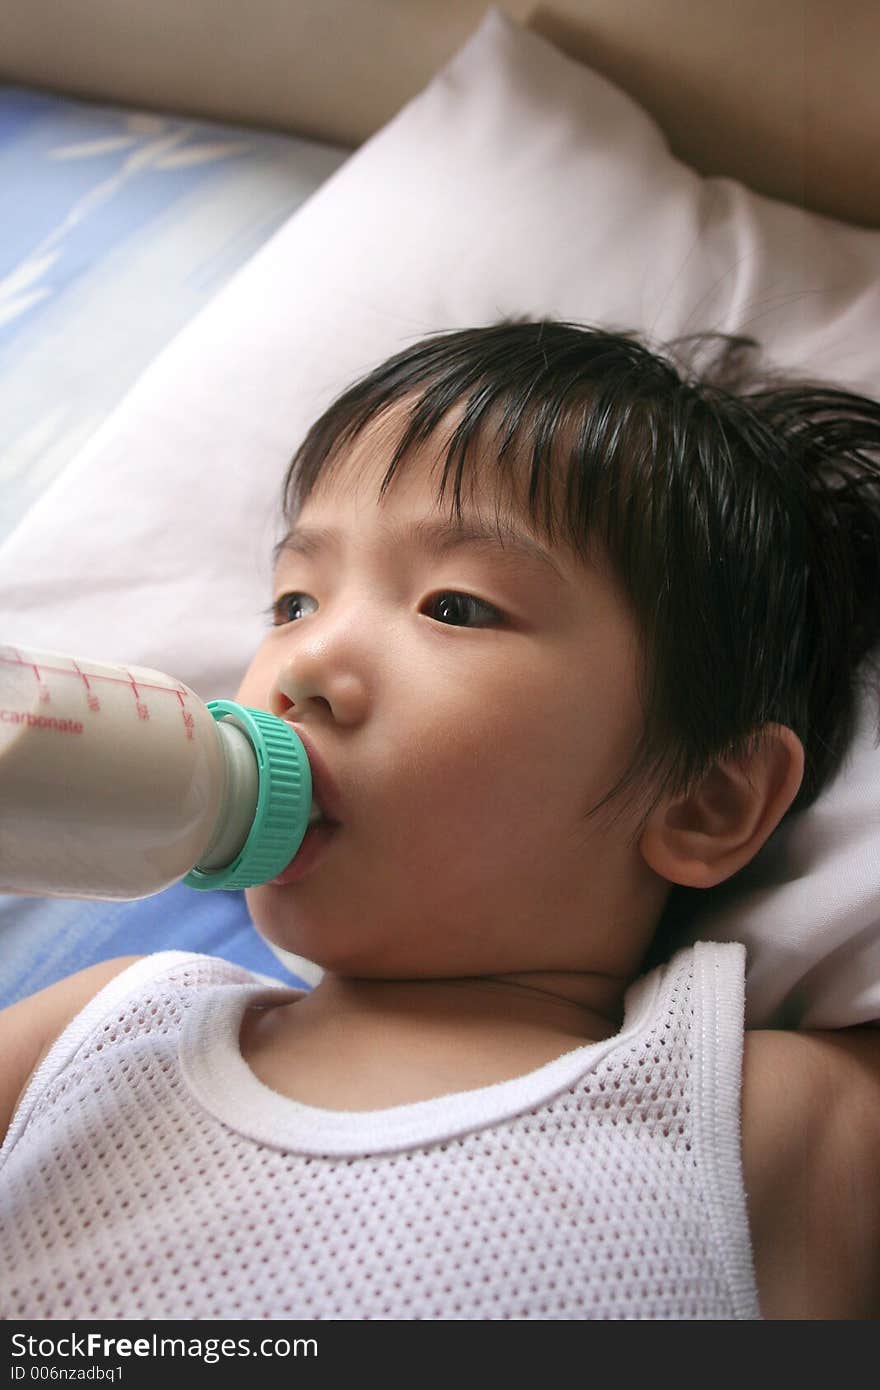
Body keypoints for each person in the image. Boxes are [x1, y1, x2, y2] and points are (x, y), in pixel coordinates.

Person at [2, 320, 880, 1320]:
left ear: (704, 800)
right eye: (292, 602)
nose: (304, 668)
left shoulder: (738, 1110)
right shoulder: (111, 1023)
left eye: (453, 607)